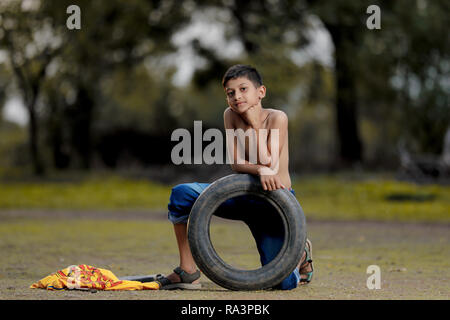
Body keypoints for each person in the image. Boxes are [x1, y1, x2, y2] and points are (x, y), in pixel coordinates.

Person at [155, 64, 313, 290]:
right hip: (242, 193)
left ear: (261, 92)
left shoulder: (278, 118)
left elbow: (269, 160)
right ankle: (187, 270)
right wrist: (258, 170)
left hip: (274, 203)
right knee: (181, 194)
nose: (237, 96)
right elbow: (237, 163)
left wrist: (253, 123)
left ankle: (300, 254)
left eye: (243, 89)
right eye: (231, 93)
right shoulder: (230, 115)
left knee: (282, 283)